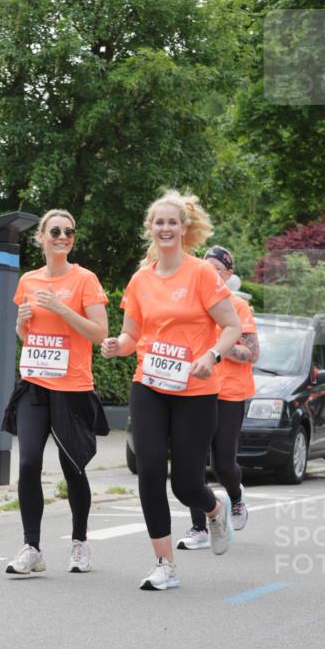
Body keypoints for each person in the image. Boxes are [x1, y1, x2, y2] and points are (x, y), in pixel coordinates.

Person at [101, 190, 242, 591]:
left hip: (195, 390)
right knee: (148, 468)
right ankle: (165, 564)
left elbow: (231, 326)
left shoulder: (201, 274)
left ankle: (215, 508)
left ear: (184, 229)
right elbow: (132, 335)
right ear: (151, 229)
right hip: (149, 384)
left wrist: (211, 356)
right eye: (159, 222)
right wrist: (117, 346)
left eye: (172, 222)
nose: (165, 228)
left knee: (185, 483)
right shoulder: (141, 279)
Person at [2, 210, 109, 576]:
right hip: (35, 385)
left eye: (69, 232)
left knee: (73, 467)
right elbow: (26, 335)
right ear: (41, 237)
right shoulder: (29, 281)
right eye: (56, 231)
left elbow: (99, 333)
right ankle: (32, 547)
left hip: (73, 388)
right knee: (29, 462)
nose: (63, 237)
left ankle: (79, 542)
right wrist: (21, 324)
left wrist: (63, 308)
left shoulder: (85, 279)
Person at [177, 245, 259, 550]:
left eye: (217, 270)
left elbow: (252, 352)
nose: (210, 274)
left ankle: (235, 497)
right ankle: (199, 527)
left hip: (229, 393)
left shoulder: (237, 307)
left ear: (229, 275)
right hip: (196, 390)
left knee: (223, 463)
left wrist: (220, 347)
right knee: (193, 462)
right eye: (205, 268)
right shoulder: (191, 304)